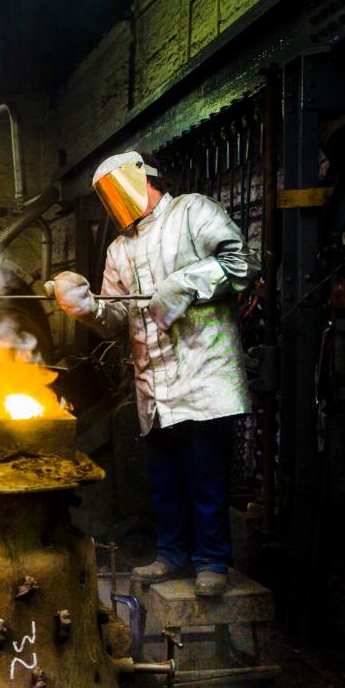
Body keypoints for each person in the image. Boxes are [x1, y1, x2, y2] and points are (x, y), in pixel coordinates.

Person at [52, 151, 260, 597]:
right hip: (154, 387)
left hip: (205, 376)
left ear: (142, 178)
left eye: (115, 189)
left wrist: (186, 284)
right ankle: (171, 554)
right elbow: (114, 320)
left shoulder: (193, 212)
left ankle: (212, 562)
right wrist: (85, 308)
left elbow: (243, 264)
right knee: (163, 481)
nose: (113, 202)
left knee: (205, 479)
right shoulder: (119, 249)